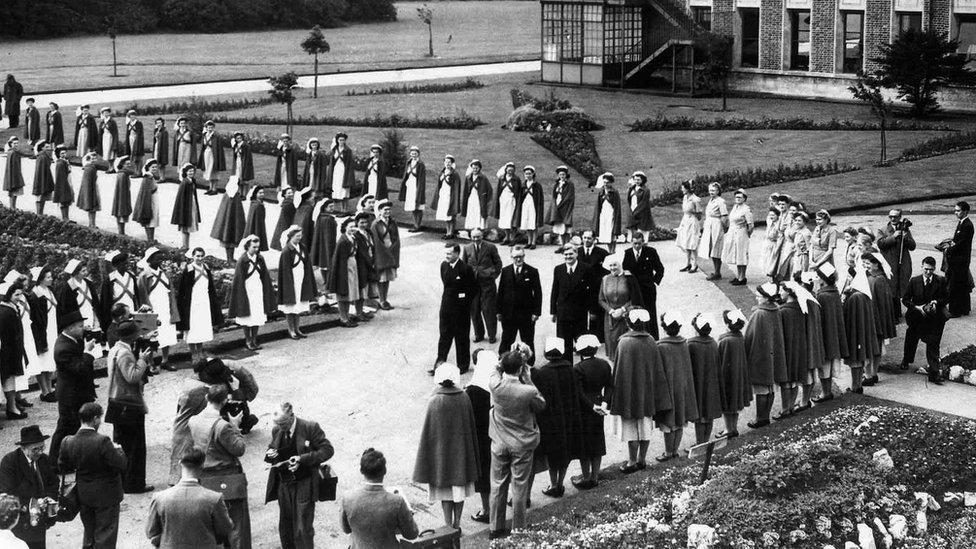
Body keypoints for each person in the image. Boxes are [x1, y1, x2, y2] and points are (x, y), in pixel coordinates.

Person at [412, 363, 480, 530]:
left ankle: (448, 524)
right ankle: (457, 524)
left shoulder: (434, 401)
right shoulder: (464, 397)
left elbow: (429, 433)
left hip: (441, 455)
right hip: (460, 454)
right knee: (459, 492)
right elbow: (470, 427)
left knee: (445, 494)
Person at [487, 351, 546, 539]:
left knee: (497, 484)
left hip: (499, 441)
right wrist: (528, 378)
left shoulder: (495, 384)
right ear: (521, 369)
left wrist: (503, 363)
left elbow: (496, 369)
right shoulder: (528, 391)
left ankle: (495, 528)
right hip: (522, 443)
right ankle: (518, 528)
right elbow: (541, 405)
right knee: (519, 486)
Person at [264, 402, 334, 549]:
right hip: (284, 484)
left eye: (283, 423)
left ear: (291, 415)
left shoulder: (310, 428)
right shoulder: (277, 429)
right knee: (286, 526)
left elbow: (327, 450)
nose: (281, 427)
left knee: (302, 527)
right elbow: (273, 447)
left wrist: (302, 459)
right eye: (278, 424)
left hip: (304, 483)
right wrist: (271, 453)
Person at [188, 385, 251, 549]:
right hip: (227, 478)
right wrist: (236, 427)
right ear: (224, 401)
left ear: (207, 398)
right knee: (236, 526)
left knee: (213, 527)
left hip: (204, 478)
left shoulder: (193, 421)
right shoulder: (222, 426)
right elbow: (239, 449)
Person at [58, 402, 127, 549]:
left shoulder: (67, 441)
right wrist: (119, 450)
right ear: (95, 419)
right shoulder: (103, 441)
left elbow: (63, 466)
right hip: (107, 495)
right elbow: (120, 464)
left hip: (84, 494)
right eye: (99, 419)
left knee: (89, 534)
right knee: (105, 537)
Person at [610, 308, 672, 472]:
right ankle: (642, 459)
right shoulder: (650, 340)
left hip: (629, 393)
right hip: (646, 392)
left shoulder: (624, 342)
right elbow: (657, 368)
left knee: (631, 428)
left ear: (628, 323)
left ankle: (632, 461)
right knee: (645, 427)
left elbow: (618, 371)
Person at [146, 447, 233, 549]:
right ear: (202, 466)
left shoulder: (160, 498)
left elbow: (150, 531)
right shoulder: (214, 499)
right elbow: (225, 529)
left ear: (180, 463)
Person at [531, 337, 584, 498]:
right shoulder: (571, 369)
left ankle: (554, 484)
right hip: (570, 416)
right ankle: (560, 482)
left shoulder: (542, 373)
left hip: (550, 419)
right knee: (566, 451)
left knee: (553, 453)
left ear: (547, 354)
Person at [105, 321, 153, 494]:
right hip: (129, 403)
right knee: (135, 447)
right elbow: (132, 377)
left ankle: (124, 481)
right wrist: (142, 360)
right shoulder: (125, 353)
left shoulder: (114, 349)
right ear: (131, 336)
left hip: (117, 401)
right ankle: (134, 483)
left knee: (122, 445)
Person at [340, 448, 419, 548]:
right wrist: (407, 515)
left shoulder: (347, 498)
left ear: (362, 471)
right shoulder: (397, 501)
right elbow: (411, 534)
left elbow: (346, 529)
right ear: (384, 471)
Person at [0, 424, 58, 549]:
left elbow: (54, 482)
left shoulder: (44, 460)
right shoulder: (10, 462)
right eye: (35, 449)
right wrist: (33, 504)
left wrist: (50, 498)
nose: (40, 452)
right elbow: (8, 492)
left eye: (42, 447)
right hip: (21, 520)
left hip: (39, 521)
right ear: (23, 448)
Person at [656, 313, 699, 461]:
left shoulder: (661, 346)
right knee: (680, 420)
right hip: (682, 387)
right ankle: (674, 450)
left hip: (668, 388)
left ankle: (669, 452)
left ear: (664, 328)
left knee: (668, 424)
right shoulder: (683, 343)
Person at [901, 256, 950, 382]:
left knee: (933, 344)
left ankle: (934, 374)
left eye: (931, 270)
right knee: (911, 339)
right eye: (926, 269)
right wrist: (916, 307)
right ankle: (906, 360)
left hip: (934, 319)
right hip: (917, 318)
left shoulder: (941, 281)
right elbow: (906, 299)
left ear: (934, 269)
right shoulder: (914, 281)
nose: (928, 272)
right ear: (922, 267)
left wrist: (936, 302)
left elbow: (947, 298)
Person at [571, 334, 611, 489]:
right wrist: (605, 403)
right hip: (599, 404)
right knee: (597, 439)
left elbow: (579, 392)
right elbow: (610, 385)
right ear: (595, 349)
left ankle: (586, 476)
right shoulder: (604, 364)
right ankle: (595, 476)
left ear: (580, 351)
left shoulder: (578, 368)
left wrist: (591, 405)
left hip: (584, 408)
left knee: (584, 443)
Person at [744, 282, 786, 428]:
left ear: (767, 298)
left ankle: (760, 418)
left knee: (761, 389)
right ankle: (765, 415)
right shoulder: (776, 310)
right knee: (770, 388)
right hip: (773, 353)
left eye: (759, 296)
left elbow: (750, 335)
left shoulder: (759, 314)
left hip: (760, 355)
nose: (757, 298)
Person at [435, 243, 478, 374]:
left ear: (457, 253)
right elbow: (447, 286)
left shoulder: (466, 269)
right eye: (446, 253)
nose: (446, 256)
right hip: (446, 308)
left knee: (461, 337)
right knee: (444, 336)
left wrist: (463, 303)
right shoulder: (444, 266)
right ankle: (440, 363)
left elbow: (473, 289)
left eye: (449, 253)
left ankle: (463, 365)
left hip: (461, 310)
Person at [229, 235, 276, 351]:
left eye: (257, 247)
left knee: (257, 314)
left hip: (258, 289)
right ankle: (248, 340)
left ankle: (254, 339)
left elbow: (264, 275)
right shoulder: (242, 260)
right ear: (247, 247)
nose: (256, 249)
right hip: (247, 290)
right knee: (247, 315)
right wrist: (241, 294)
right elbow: (239, 279)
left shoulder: (260, 258)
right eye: (254, 247)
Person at [496, 245, 542, 362]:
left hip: (526, 315)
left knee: (528, 341)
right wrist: (498, 311)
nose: (518, 259)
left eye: (521, 256)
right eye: (516, 257)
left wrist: (536, 312)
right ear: (511, 256)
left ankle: (530, 366)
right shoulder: (506, 271)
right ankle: (504, 363)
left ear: (524, 256)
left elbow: (538, 293)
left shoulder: (532, 271)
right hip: (508, 314)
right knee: (506, 340)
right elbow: (500, 292)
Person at [137, 247, 180, 371]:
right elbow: (142, 296)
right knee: (151, 336)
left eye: (161, 257)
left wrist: (173, 310)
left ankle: (165, 360)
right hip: (153, 309)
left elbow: (170, 292)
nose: (160, 260)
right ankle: (150, 363)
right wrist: (148, 314)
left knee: (166, 334)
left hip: (165, 308)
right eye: (157, 258)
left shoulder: (164, 273)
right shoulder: (144, 275)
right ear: (150, 260)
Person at [465, 349, 496, 523]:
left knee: (484, 475)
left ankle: (486, 509)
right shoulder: (497, 384)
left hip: (481, 439)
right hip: (498, 435)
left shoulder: (472, 391)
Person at [551, 244, 594, 359]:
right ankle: (567, 372)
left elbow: (591, 292)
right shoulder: (558, 269)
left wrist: (592, 310)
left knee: (583, 345)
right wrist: (553, 312)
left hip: (579, 314)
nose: (568, 257)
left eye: (571, 254)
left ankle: (584, 371)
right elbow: (555, 291)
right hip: (563, 314)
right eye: (566, 254)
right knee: (565, 347)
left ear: (576, 254)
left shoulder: (586, 268)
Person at [812, 262, 847, 402]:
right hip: (834, 334)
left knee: (824, 365)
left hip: (825, 334)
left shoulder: (822, 296)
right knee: (829, 364)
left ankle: (826, 393)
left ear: (822, 279)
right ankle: (826, 391)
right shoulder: (835, 292)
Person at [462, 228, 502, 344]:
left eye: (478, 237)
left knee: (489, 310)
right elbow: (464, 265)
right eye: (474, 237)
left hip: (487, 283)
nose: (476, 239)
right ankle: (479, 334)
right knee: (474, 310)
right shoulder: (467, 248)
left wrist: (493, 275)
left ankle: (491, 335)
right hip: (473, 284)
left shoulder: (490, 247)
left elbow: (498, 263)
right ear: (471, 237)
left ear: (482, 236)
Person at [598, 252, 642, 359]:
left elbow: (635, 298)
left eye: (615, 265)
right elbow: (601, 299)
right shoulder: (605, 279)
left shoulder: (629, 278)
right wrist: (610, 311)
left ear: (620, 265)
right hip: (610, 318)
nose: (612, 268)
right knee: (612, 347)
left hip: (625, 317)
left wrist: (622, 309)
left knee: (625, 347)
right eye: (610, 265)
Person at [875, 209, 916, 322]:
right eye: (891, 216)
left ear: (900, 217)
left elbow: (912, 246)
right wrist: (893, 236)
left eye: (895, 217)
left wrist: (906, 237)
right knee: (891, 287)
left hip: (902, 262)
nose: (893, 219)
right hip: (889, 263)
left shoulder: (905, 229)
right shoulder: (882, 230)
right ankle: (892, 315)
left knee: (899, 286)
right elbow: (880, 244)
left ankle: (897, 313)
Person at [843, 268, 878, 394]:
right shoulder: (863, 294)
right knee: (859, 362)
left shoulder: (855, 297)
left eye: (850, 277)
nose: (848, 280)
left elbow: (847, 314)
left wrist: (845, 297)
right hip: (862, 334)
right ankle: (857, 385)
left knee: (855, 363)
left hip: (855, 334)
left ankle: (855, 386)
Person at [622, 232, 664, 339]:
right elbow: (625, 270)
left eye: (639, 243)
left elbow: (660, 269)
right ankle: (638, 337)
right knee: (636, 312)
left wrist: (654, 281)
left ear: (643, 242)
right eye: (635, 243)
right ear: (632, 242)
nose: (637, 246)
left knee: (650, 313)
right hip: (634, 290)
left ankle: (653, 338)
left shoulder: (650, 252)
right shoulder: (627, 253)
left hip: (648, 289)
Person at [329, 218, 370, 328]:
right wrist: (342, 275)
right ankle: (343, 318)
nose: (353, 229)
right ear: (345, 227)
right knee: (344, 293)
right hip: (345, 268)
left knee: (350, 293)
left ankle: (346, 316)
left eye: (354, 226)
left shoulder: (352, 238)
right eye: (350, 227)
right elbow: (340, 260)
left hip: (352, 266)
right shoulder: (343, 241)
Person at [688, 314, 722, 444]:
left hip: (698, 383)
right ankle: (705, 440)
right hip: (711, 382)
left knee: (700, 416)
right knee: (709, 414)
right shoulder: (713, 343)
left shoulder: (691, 344)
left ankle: (699, 442)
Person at [716, 309, 750, 438]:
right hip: (738, 375)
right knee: (734, 405)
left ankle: (728, 429)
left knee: (727, 405)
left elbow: (720, 358)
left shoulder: (725, 341)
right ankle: (733, 427)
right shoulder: (739, 337)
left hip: (727, 376)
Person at [278, 226, 316, 339]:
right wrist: (288, 285)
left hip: (301, 279)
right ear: (291, 236)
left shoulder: (302, 248)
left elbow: (306, 263)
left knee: (298, 306)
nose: (299, 238)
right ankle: (291, 330)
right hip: (291, 281)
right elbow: (285, 270)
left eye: (300, 235)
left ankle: (297, 328)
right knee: (291, 306)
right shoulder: (286, 251)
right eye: (297, 236)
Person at [864, 253, 896, 387]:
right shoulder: (869, 277)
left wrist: (879, 322)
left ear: (876, 264)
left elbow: (883, 304)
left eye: (868, 264)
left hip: (875, 319)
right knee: (870, 348)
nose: (865, 266)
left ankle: (871, 374)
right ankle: (870, 373)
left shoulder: (879, 280)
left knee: (875, 348)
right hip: (869, 316)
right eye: (864, 263)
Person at [26, 267, 58, 402]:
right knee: (42, 360)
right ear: (40, 279)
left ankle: (50, 388)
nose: (51, 279)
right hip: (42, 330)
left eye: (51, 277)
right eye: (48, 277)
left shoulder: (49, 291)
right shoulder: (35, 294)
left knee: (50, 359)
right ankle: (44, 391)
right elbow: (37, 317)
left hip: (52, 328)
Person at [0, 279, 30, 421]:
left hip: (14, 350)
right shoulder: (5, 312)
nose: (19, 298)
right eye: (16, 295)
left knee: (11, 380)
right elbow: (6, 337)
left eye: (19, 294)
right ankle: (11, 408)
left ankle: (12, 406)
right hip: (7, 353)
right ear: (8, 295)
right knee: (8, 380)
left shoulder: (12, 308)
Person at [943, 201, 973, 316]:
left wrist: (948, 249)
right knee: (962, 283)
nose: (955, 213)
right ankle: (964, 308)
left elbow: (961, 243)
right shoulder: (963, 223)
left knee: (956, 285)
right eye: (955, 210)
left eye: (958, 210)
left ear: (965, 211)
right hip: (961, 259)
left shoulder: (967, 225)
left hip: (960, 259)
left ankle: (955, 310)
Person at [98, 250, 137, 336]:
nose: (126, 266)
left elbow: (136, 296)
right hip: (117, 314)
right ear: (117, 265)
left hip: (131, 311)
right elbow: (105, 300)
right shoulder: (110, 279)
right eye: (124, 264)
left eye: (127, 263)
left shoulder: (131, 277)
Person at [371, 199, 400, 310]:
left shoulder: (392, 222)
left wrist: (393, 249)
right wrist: (384, 251)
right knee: (381, 278)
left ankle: (385, 299)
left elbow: (396, 237)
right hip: (381, 253)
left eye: (389, 209)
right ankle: (381, 300)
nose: (387, 212)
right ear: (379, 210)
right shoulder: (376, 224)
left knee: (388, 278)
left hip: (391, 251)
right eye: (385, 210)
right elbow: (376, 240)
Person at [721, 189, 754, 285]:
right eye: (736, 197)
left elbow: (750, 225)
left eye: (740, 197)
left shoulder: (746, 209)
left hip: (741, 233)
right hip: (733, 233)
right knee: (736, 254)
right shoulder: (735, 207)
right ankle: (738, 275)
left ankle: (742, 277)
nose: (738, 199)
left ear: (744, 199)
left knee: (741, 254)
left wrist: (747, 234)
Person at [698, 182, 728, 281]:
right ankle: (716, 271)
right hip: (710, 225)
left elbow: (724, 216)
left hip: (716, 226)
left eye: (714, 190)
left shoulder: (720, 201)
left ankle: (717, 272)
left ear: (718, 191)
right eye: (710, 190)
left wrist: (724, 228)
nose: (711, 192)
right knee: (711, 248)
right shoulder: (711, 200)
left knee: (716, 249)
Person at [172, 163, 202, 249]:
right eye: (189, 171)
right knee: (185, 227)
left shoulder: (192, 181)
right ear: (185, 172)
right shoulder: (184, 183)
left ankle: (186, 245)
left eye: (192, 171)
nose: (191, 173)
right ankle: (185, 245)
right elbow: (181, 198)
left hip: (191, 204)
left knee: (188, 227)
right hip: (186, 207)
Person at [432, 154, 462, 239]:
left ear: (452, 163)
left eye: (449, 162)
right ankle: (447, 231)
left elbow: (456, 187)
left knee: (451, 215)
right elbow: (439, 184)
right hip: (443, 195)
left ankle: (451, 232)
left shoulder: (454, 173)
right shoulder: (443, 172)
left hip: (450, 195)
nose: (447, 164)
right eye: (446, 162)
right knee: (445, 215)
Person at [676, 181, 703, 273]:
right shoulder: (685, 197)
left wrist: (693, 213)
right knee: (686, 242)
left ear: (687, 189)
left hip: (693, 222)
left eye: (683, 188)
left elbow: (699, 215)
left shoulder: (695, 199)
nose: (682, 189)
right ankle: (688, 264)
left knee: (693, 243)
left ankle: (695, 264)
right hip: (685, 220)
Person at [133, 159, 163, 243]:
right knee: (150, 220)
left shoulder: (151, 177)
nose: (154, 168)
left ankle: (151, 238)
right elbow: (146, 192)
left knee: (153, 220)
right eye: (152, 167)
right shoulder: (147, 178)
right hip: (149, 201)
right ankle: (150, 239)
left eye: (156, 167)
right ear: (148, 168)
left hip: (153, 200)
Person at [546, 166, 575, 248]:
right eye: (560, 174)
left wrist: (562, 204)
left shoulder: (570, 184)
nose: (562, 176)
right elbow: (554, 195)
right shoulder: (557, 184)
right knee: (559, 226)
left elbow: (570, 196)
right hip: (557, 204)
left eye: (563, 174)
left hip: (565, 206)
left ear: (566, 175)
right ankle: (562, 245)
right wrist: (555, 205)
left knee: (565, 227)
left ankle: (567, 245)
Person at [593, 172, 622, 253]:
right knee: (605, 232)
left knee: (612, 231)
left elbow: (617, 205)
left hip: (611, 213)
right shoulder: (601, 192)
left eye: (607, 182)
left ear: (611, 183)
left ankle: (613, 250)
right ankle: (609, 250)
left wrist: (615, 215)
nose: (605, 184)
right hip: (603, 214)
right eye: (604, 182)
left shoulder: (614, 192)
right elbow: (598, 204)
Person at [326, 132, 355, 211]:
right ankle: (335, 208)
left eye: (343, 140)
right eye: (340, 140)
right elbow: (331, 160)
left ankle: (344, 209)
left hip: (344, 171)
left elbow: (349, 163)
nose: (341, 141)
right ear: (337, 140)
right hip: (336, 170)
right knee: (336, 189)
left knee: (344, 190)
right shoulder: (334, 149)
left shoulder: (348, 150)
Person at [494, 162, 521, 245]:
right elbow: (499, 189)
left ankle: (512, 238)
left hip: (511, 200)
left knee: (511, 219)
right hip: (503, 200)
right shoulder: (502, 179)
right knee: (504, 219)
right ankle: (507, 237)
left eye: (511, 170)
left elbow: (518, 191)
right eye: (508, 170)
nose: (510, 172)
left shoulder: (516, 179)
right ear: (506, 170)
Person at [463, 159, 492, 234]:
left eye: (476, 168)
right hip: (471, 197)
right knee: (472, 211)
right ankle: (473, 230)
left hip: (480, 199)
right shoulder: (469, 177)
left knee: (479, 212)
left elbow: (489, 189)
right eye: (473, 168)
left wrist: (485, 197)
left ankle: (479, 230)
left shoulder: (483, 178)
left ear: (479, 168)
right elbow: (466, 189)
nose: (475, 170)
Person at [197, 120, 225, 195]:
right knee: (208, 171)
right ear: (206, 128)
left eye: (211, 127)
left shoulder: (216, 136)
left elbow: (219, 148)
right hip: (206, 154)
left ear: (214, 128)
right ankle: (210, 188)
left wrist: (218, 158)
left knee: (214, 171)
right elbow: (203, 146)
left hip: (213, 155)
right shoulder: (204, 135)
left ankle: (214, 189)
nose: (210, 129)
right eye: (208, 127)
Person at [519, 166, 545, 249]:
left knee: (533, 223)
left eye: (529, 174)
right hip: (525, 204)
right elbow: (520, 196)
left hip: (534, 205)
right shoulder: (523, 184)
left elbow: (540, 197)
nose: (528, 175)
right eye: (526, 174)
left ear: (533, 174)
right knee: (527, 222)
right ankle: (529, 241)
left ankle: (534, 242)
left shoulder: (537, 185)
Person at [75, 151, 102, 227]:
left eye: (95, 159)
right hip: (91, 191)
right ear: (88, 159)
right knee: (93, 208)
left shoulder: (90, 168)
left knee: (92, 208)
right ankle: (92, 224)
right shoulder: (90, 168)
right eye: (92, 159)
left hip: (92, 189)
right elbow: (88, 183)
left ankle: (92, 223)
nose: (94, 160)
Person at [627, 171, 653, 241]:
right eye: (635, 179)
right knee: (634, 237)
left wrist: (635, 213)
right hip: (633, 214)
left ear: (642, 180)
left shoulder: (646, 190)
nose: (636, 181)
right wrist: (631, 213)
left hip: (642, 215)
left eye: (638, 180)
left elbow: (643, 204)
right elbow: (629, 201)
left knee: (642, 237)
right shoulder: (631, 189)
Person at [110, 155, 133, 235]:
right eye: (127, 164)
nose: (129, 165)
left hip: (123, 197)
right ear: (122, 165)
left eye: (129, 163)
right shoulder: (123, 175)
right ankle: (121, 232)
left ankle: (121, 231)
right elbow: (122, 190)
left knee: (121, 215)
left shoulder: (123, 174)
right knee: (122, 214)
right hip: (122, 198)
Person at [31, 140, 54, 215]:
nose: (49, 148)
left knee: (43, 197)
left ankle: (40, 213)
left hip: (46, 178)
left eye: (49, 147)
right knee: (40, 197)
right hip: (41, 180)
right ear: (42, 148)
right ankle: (39, 213)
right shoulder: (41, 157)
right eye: (46, 147)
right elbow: (39, 171)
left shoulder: (46, 156)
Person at [271, 187, 298, 252]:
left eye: (291, 192)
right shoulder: (289, 203)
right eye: (289, 193)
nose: (291, 194)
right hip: (286, 221)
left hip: (283, 221)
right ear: (285, 195)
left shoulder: (285, 202)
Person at [3, 136, 26, 210]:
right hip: (13, 175)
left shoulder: (14, 151)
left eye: (17, 143)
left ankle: (13, 206)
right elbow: (11, 167)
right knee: (13, 192)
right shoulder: (12, 153)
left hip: (15, 174)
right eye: (14, 143)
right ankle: (12, 207)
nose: (16, 144)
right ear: (11, 144)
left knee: (15, 192)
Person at [243, 186, 268, 252]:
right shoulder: (257, 205)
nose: (262, 194)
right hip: (256, 227)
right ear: (255, 194)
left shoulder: (257, 203)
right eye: (260, 193)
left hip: (259, 225)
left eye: (263, 192)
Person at [51, 145, 73, 220]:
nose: (64, 155)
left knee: (67, 201)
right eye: (62, 153)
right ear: (58, 154)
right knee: (63, 201)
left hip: (67, 182)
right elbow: (60, 177)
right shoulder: (60, 163)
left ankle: (67, 217)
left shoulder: (64, 161)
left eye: (65, 153)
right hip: (63, 184)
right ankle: (64, 217)